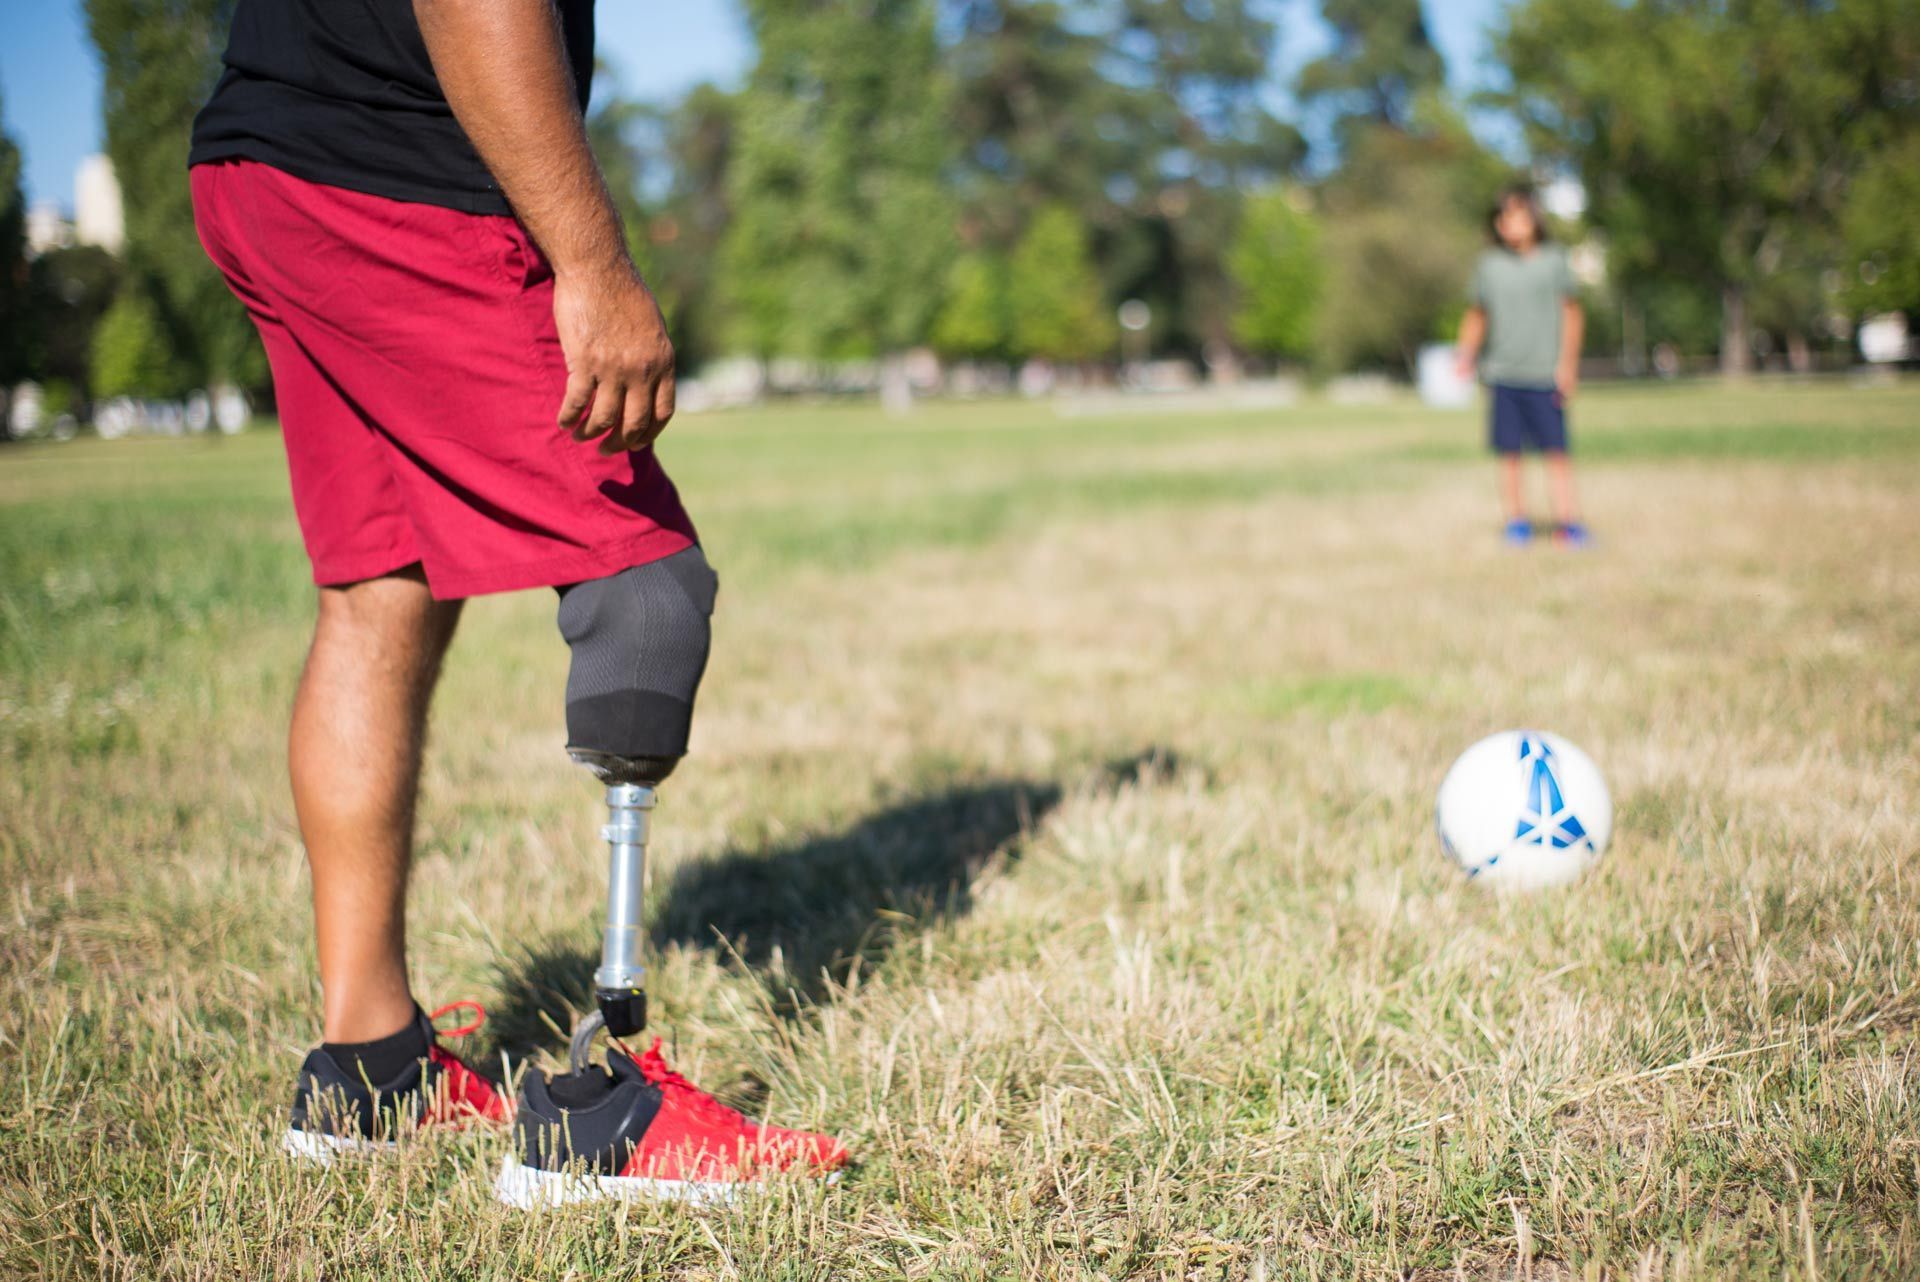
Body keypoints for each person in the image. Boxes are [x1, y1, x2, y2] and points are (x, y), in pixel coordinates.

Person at [188, 0, 846, 1203]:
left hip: (264, 167)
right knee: (643, 587)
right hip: (395, 175)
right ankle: (604, 1110)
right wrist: (593, 263)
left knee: (376, 593)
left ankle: (369, 1067)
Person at [1454, 184, 1589, 547]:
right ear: (1497, 224)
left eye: (1520, 215)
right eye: (1505, 217)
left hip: (1546, 374)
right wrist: (1465, 353)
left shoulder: (1553, 260)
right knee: (1509, 454)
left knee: (1556, 453)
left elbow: (1571, 314)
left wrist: (1568, 365)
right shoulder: (1489, 266)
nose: (1512, 223)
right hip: (1503, 374)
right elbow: (1477, 315)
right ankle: (1517, 523)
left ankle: (1569, 523)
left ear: (1534, 218)